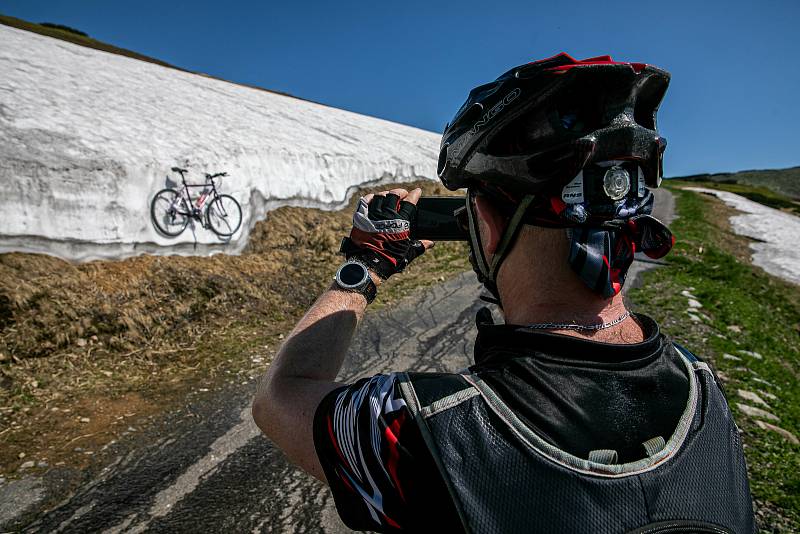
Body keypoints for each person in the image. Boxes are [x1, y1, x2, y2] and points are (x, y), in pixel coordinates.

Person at [252, 53, 755, 533]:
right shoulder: (703, 387)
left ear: (487, 227)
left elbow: (282, 395)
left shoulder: (426, 428)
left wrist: (365, 266)